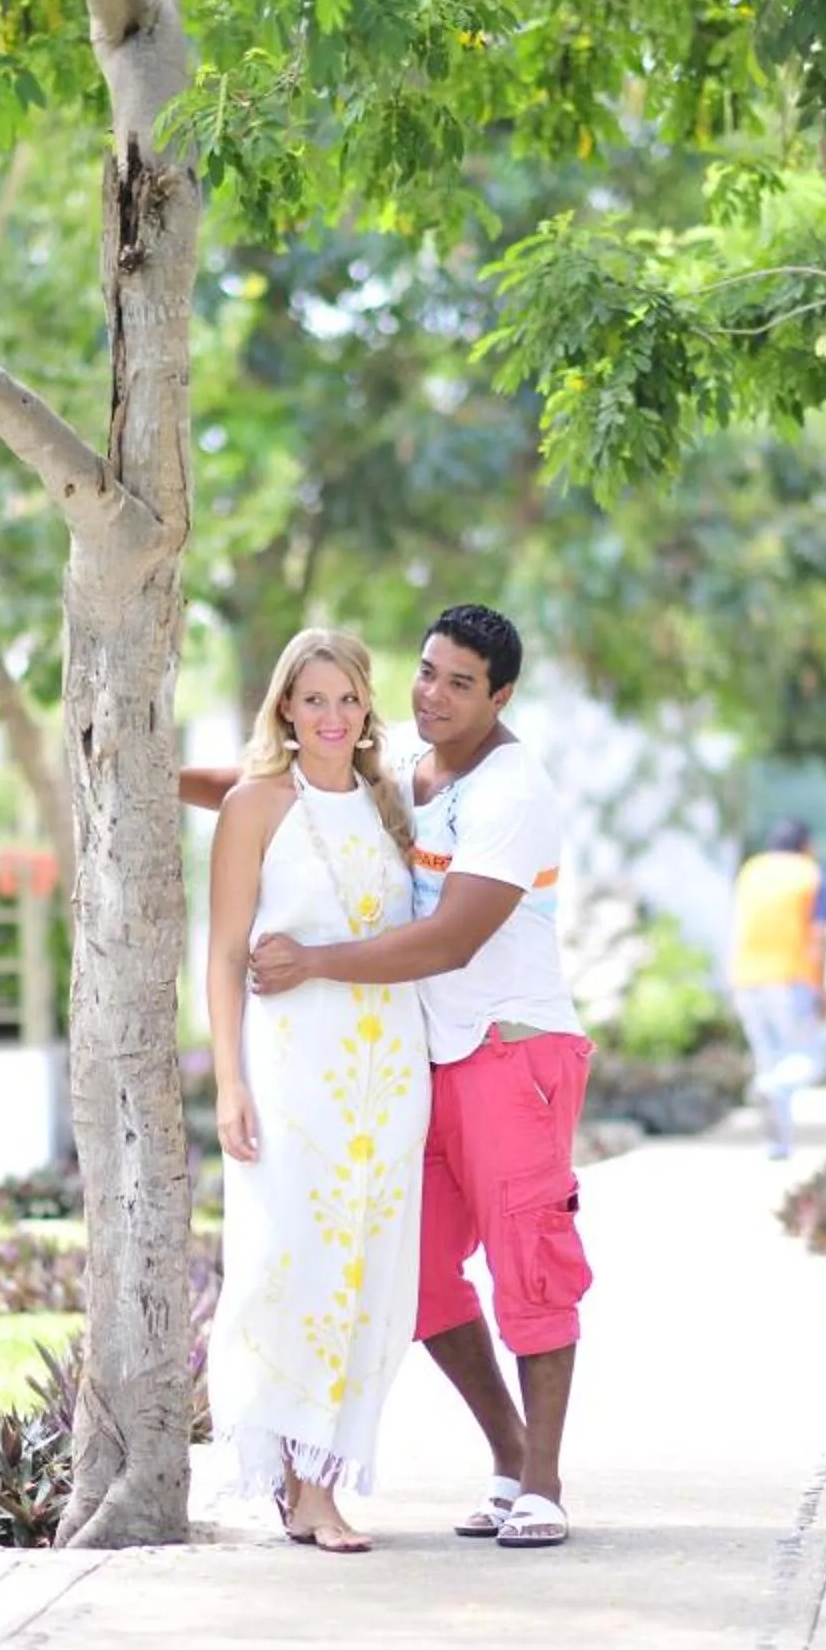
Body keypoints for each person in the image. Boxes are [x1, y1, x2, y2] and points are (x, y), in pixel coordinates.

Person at [206, 604, 593, 1552]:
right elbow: (296, 789)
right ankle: (505, 1456)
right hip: (421, 1060)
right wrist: (153, 771)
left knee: (529, 1262)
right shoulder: (407, 780)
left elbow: (454, 939)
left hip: (510, 1046)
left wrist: (315, 961)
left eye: (461, 682)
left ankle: (541, 1482)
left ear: (500, 696)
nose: (436, 693)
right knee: (416, 1276)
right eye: (427, 672)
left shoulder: (509, 789)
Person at [200, 629, 430, 1554]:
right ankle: (303, 1488)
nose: (333, 718)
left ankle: (322, 1479)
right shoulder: (256, 807)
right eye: (315, 700)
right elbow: (221, 953)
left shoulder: (389, 804)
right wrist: (227, 1082)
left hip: (389, 1073)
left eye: (348, 700)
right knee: (295, 1260)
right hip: (293, 1070)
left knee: (373, 1274)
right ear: (285, 710)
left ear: (366, 708)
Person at [729, 818, 826, 1158]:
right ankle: (769, 1088)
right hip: (790, 979)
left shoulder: (751, 872)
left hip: (746, 979)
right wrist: (821, 989)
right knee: (807, 1061)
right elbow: (820, 937)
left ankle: (778, 1144)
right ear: (806, 845)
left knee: (770, 1060)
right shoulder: (811, 874)